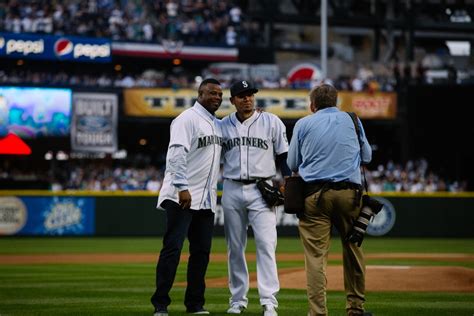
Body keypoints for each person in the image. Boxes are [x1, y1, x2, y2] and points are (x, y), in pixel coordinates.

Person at [287, 84, 372, 316]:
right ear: (336, 102)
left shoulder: (304, 123)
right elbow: (367, 156)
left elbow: (292, 163)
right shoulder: (352, 119)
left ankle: (318, 313)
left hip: (314, 196)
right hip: (350, 196)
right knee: (353, 249)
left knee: (316, 257)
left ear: (312, 105)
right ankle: (355, 309)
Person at [151, 78, 224, 316]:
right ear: (200, 94)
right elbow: (176, 154)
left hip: (205, 200)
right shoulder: (186, 119)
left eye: (220, 94)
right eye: (212, 93)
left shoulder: (217, 124)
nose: (217, 97)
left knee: (201, 254)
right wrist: (182, 186)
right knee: (172, 249)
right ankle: (160, 304)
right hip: (182, 196)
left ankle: (195, 304)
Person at [220, 80, 290, 316]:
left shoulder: (271, 121)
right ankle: (237, 300)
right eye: (241, 95)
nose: (247, 99)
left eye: (250, 95)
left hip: (262, 188)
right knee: (235, 247)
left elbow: (283, 155)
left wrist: (288, 179)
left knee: (266, 244)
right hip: (231, 186)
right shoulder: (222, 125)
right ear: (233, 101)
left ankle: (268, 301)